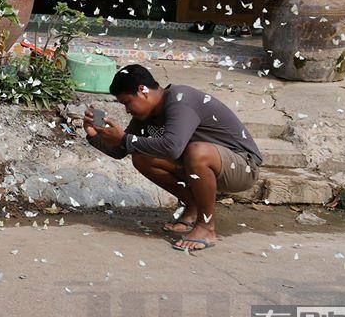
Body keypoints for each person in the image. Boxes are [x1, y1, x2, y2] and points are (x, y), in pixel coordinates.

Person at [83, 65, 263, 252]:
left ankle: (206, 227)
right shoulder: (146, 114)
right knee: (141, 157)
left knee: (197, 151)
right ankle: (192, 207)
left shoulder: (180, 99)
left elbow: (172, 148)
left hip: (243, 167)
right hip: (202, 165)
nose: (127, 110)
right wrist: (94, 135)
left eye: (127, 102)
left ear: (142, 90)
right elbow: (121, 150)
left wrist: (124, 138)